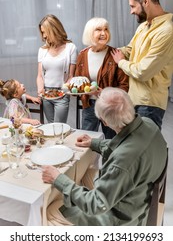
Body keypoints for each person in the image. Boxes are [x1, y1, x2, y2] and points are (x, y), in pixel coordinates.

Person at [42, 87, 167, 226]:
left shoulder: (122, 162)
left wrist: (58, 179)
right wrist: (94, 143)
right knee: (85, 173)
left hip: (122, 219)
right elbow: (127, 144)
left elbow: (96, 205)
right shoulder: (148, 124)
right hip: (138, 195)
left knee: (51, 210)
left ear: (104, 122)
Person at [111, 0, 173, 129]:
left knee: (146, 149)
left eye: (133, 6)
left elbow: (144, 71)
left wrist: (120, 62)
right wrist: (108, 50)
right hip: (134, 98)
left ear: (145, 1)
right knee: (135, 147)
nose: (131, 11)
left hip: (150, 103)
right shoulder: (144, 25)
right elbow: (130, 49)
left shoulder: (167, 31)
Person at [75, 17, 129, 138]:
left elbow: (125, 86)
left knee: (112, 141)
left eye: (106, 29)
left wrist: (104, 93)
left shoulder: (115, 54)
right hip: (89, 105)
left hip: (110, 106)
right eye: (98, 30)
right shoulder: (82, 55)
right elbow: (77, 81)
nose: (103, 33)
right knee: (87, 140)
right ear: (90, 33)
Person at [37, 14, 77, 123]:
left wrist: (64, 91)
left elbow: (70, 76)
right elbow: (40, 75)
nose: (44, 36)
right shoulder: (42, 50)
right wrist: (40, 91)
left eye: (45, 32)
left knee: (59, 127)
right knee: (50, 126)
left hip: (62, 94)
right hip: (46, 94)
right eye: (42, 32)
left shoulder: (71, 48)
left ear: (54, 30)